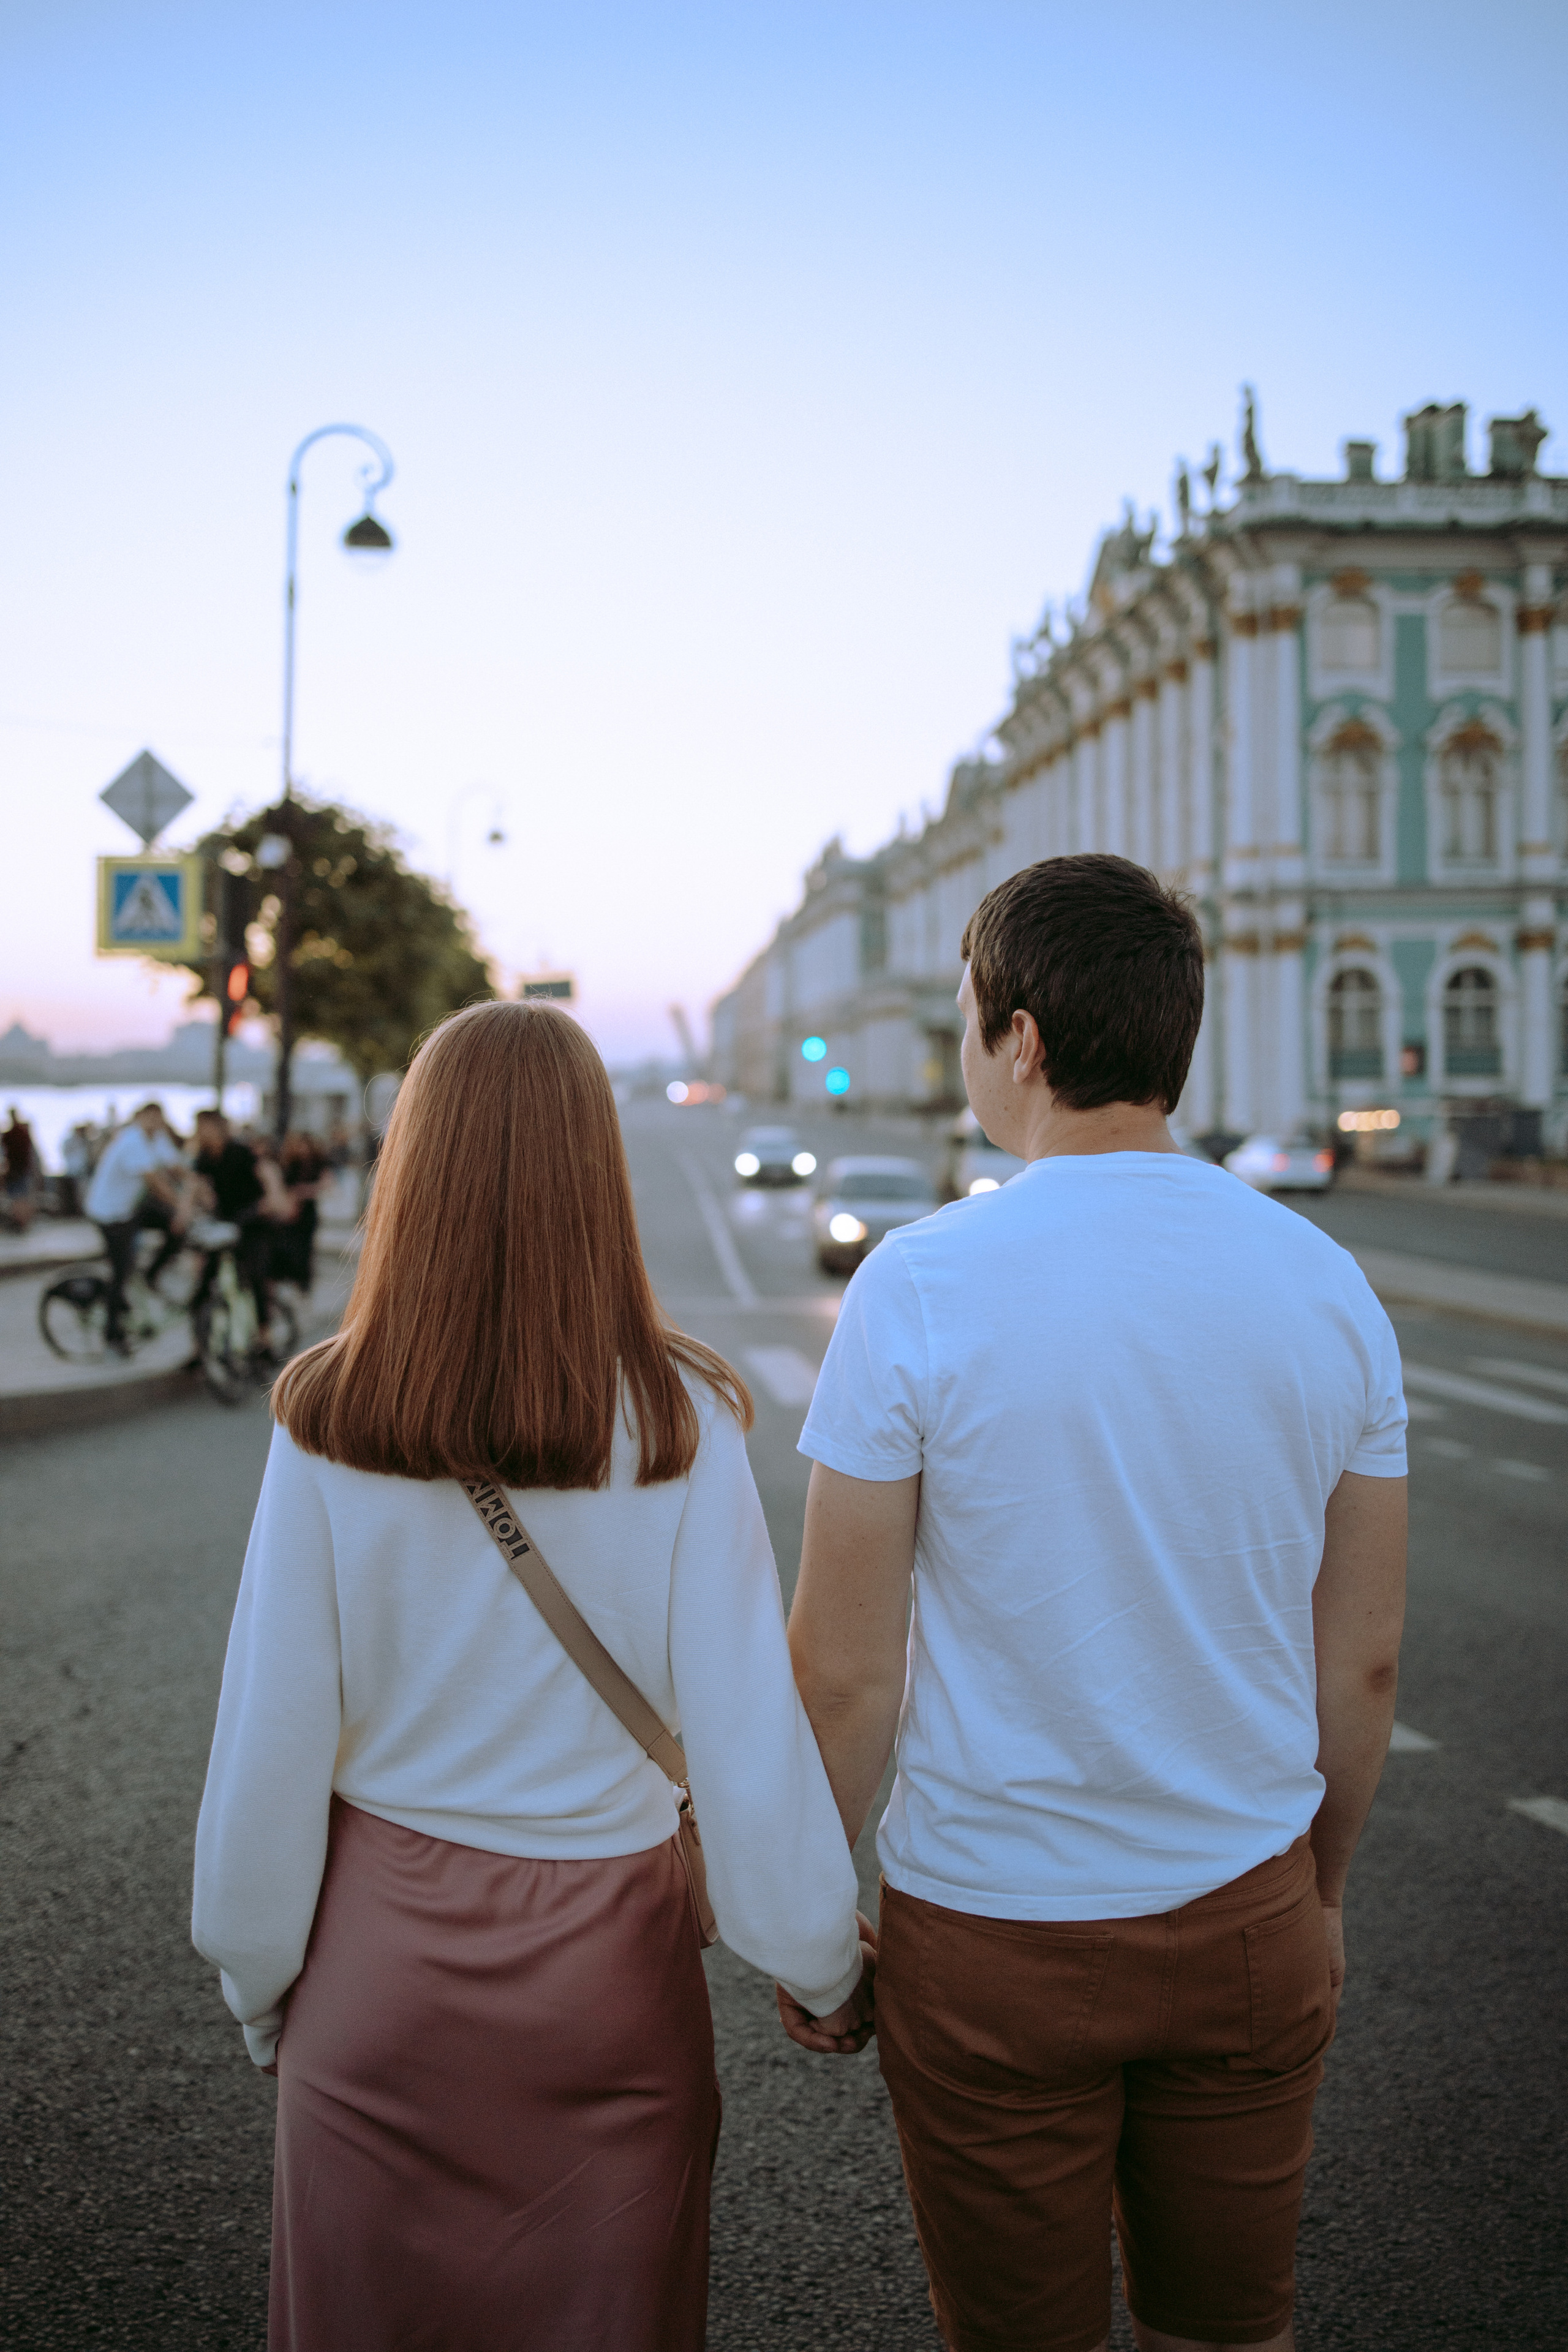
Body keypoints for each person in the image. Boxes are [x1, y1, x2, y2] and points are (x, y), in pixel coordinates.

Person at [784, 854, 1408, 2352]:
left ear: (1022, 1040)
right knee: (1225, 2330)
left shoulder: (919, 1285)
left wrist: (808, 1917)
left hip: (992, 1936)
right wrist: (1312, 1893)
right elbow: (1365, 1658)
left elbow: (846, 1677)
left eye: (963, 1017)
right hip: (1244, 1910)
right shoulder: (1324, 1284)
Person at [192, 1000, 872, 2352]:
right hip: (607, 1990)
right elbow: (746, 1740)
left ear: (412, 1170)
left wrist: (263, 1984)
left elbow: (270, 1740)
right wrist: (815, 1961)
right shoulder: (684, 1424)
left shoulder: (329, 1416)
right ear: (596, 1174)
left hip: (378, 1982)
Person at [83, 1101, 193, 1350]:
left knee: (176, 1229)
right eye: (149, 1118)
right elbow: (154, 1182)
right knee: (121, 1271)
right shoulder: (132, 1141)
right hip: (110, 1212)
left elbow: (177, 1169)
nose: (154, 1123)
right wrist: (181, 1207)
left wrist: (200, 1189)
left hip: (130, 1208)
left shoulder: (157, 1138)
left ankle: (152, 1274)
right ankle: (113, 1334)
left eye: (158, 1118)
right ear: (139, 1118)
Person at [191, 1109, 275, 1344]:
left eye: (203, 1127)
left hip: (252, 1221)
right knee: (202, 1287)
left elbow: (267, 1177)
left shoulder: (240, 1152)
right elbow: (197, 1188)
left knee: (256, 1278)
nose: (199, 1132)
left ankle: (264, 1338)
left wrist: (271, 1202)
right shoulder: (204, 1156)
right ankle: (199, 1346)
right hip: (225, 1223)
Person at [2, 1107, 39, 1232]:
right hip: (19, 1170)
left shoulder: (14, 1134)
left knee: (19, 1198)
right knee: (21, 1197)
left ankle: (21, 1223)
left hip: (17, 1171)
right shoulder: (19, 1133)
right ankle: (22, 1223)